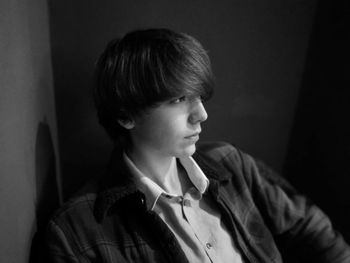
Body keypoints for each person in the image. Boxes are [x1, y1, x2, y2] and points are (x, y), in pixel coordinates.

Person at [45, 28, 350, 263]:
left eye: (199, 97)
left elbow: (310, 227)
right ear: (125, 116)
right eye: (178, 100)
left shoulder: (231, 164)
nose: (201, 115)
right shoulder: (76, 231)